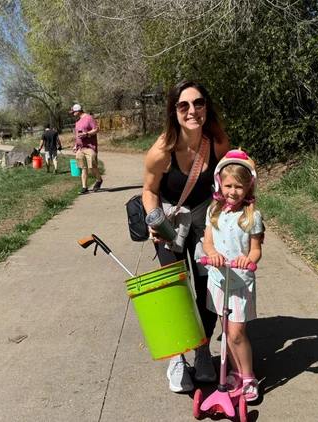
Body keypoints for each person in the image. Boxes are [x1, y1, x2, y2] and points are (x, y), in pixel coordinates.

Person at [142, 80, 229, 393]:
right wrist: (154, 220)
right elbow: (149, 191)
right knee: (174, 288)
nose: (193, 110)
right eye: (184, 105)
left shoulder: (217, 142)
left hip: (205, 219)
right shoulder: (161, 152)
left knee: (207, 287)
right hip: (170, 218)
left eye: (198, 103)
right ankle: (177, 355)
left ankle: (203, 350)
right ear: (173, 111)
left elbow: (231, 178)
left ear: (206, 106)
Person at [202, 149, 263, 402]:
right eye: (228, 185)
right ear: (220, 183)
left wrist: (247, 260)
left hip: (239, 283)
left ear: (248, 187)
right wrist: (212, 253)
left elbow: (256, 250)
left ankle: (248, 376)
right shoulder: (214, 211)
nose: (233, 191)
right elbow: (207, 242)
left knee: (237, 333)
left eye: (239, 186)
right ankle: (234, 372)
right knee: (225, 331)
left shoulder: (252, 216)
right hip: (218, 280)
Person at [70, 104, 103, 194]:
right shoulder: (78, 121)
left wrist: (87, 134)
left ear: (78, 111)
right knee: (83, 167)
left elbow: (96, 129)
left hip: (89, 147)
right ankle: (84, 187)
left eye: (73, 112)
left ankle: (99, 179)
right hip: (80, 148)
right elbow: (77, 135)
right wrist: (75, 145)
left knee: (92, 166)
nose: (72, 114)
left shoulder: (89, 118)